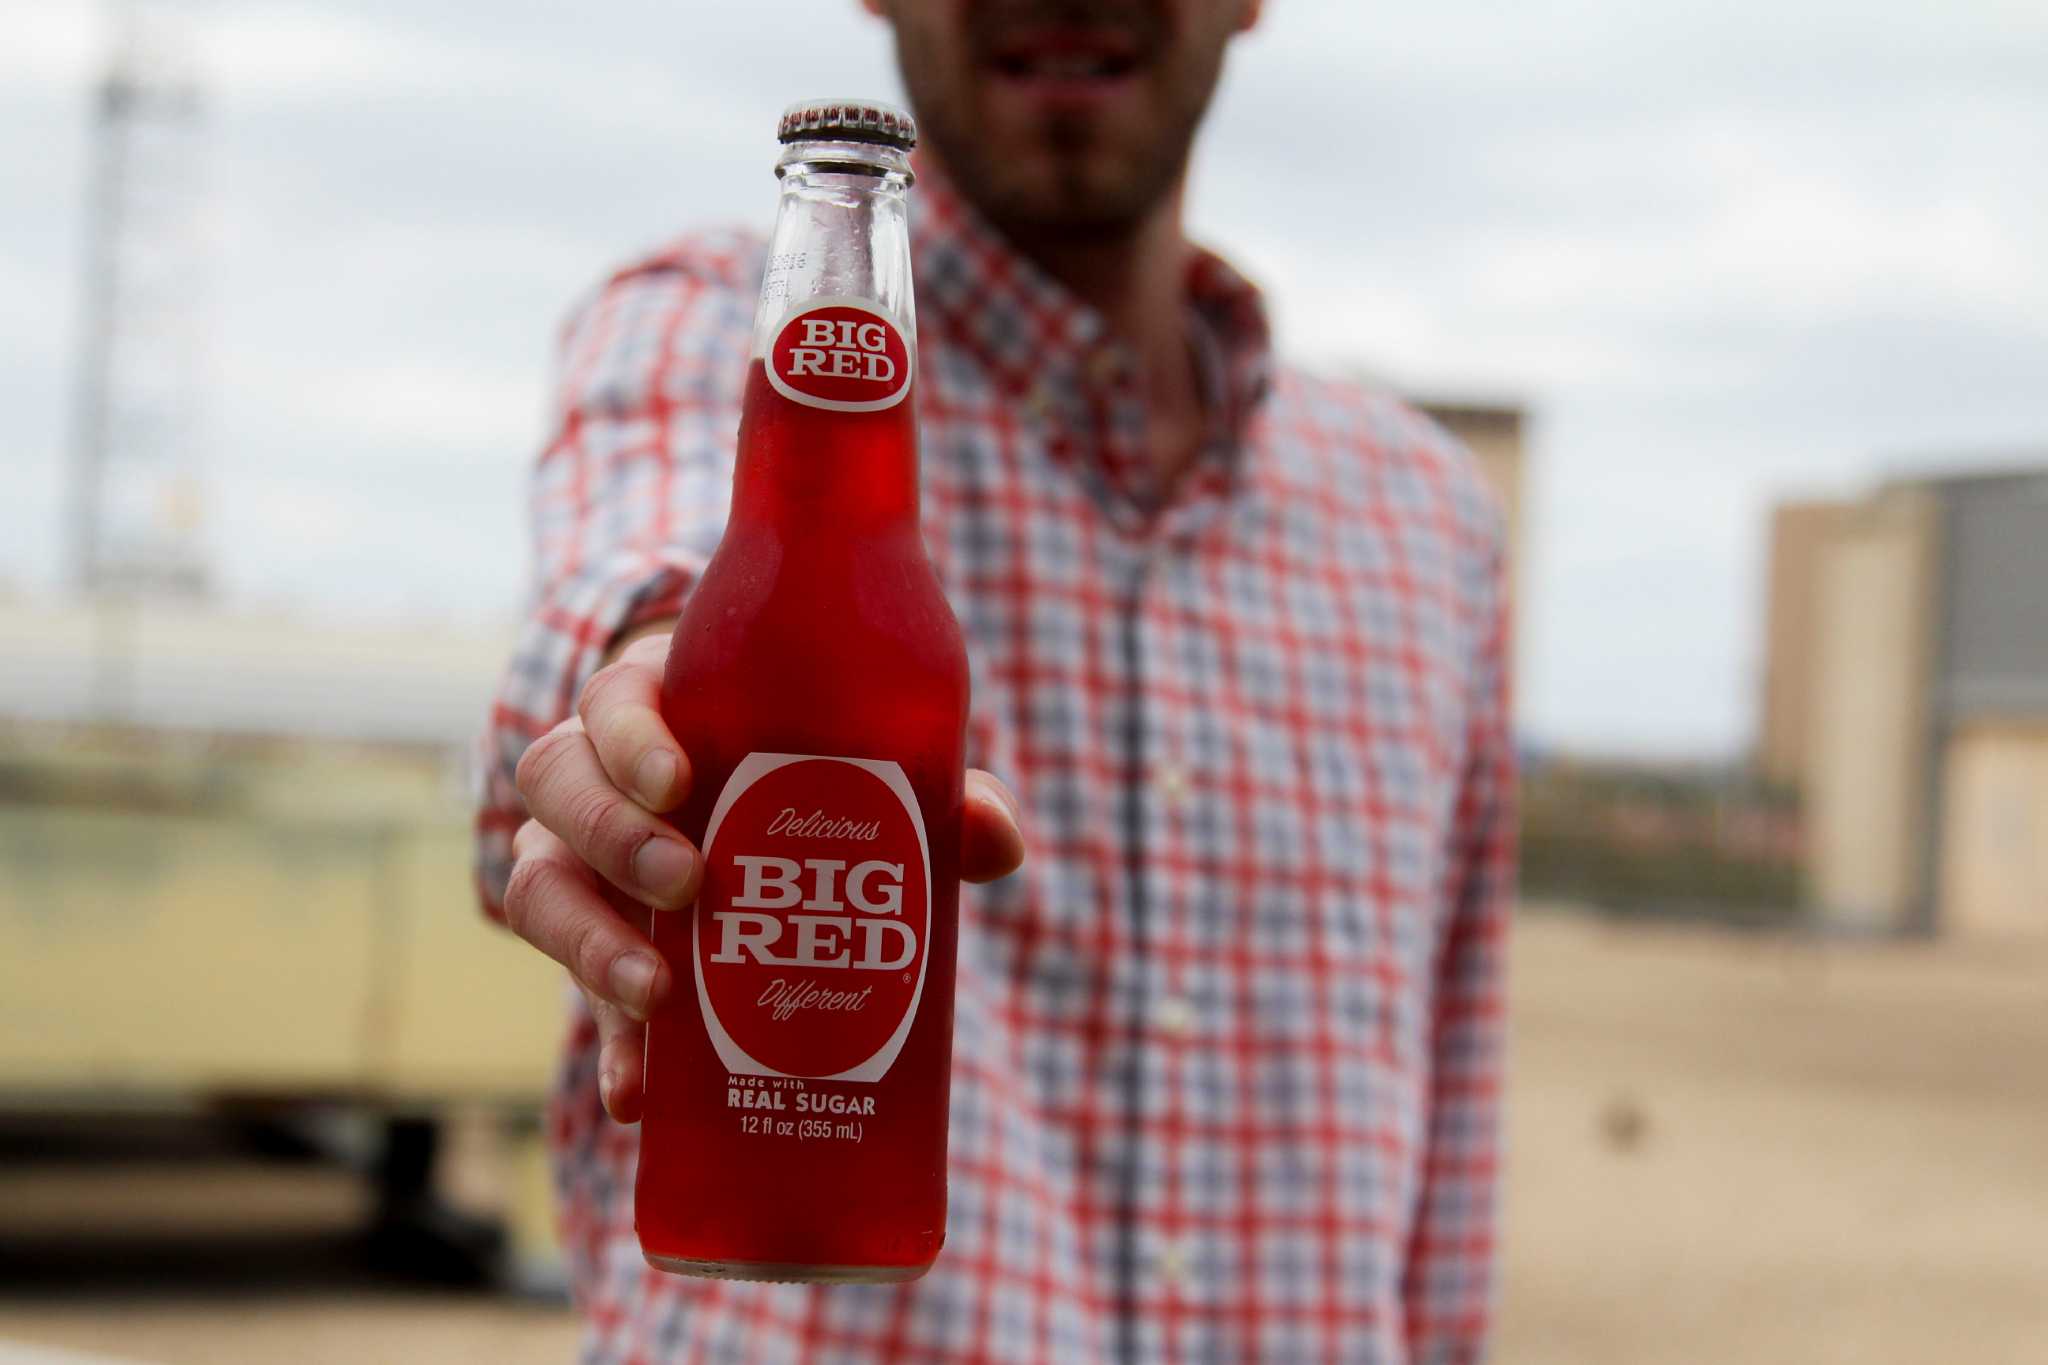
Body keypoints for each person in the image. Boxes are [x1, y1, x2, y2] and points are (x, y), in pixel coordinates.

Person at [475, 1, 1514, 1360]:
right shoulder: (699, 326)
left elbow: (1451, 1140)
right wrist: (653, 703)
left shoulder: (1427, 514)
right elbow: (634, 567)